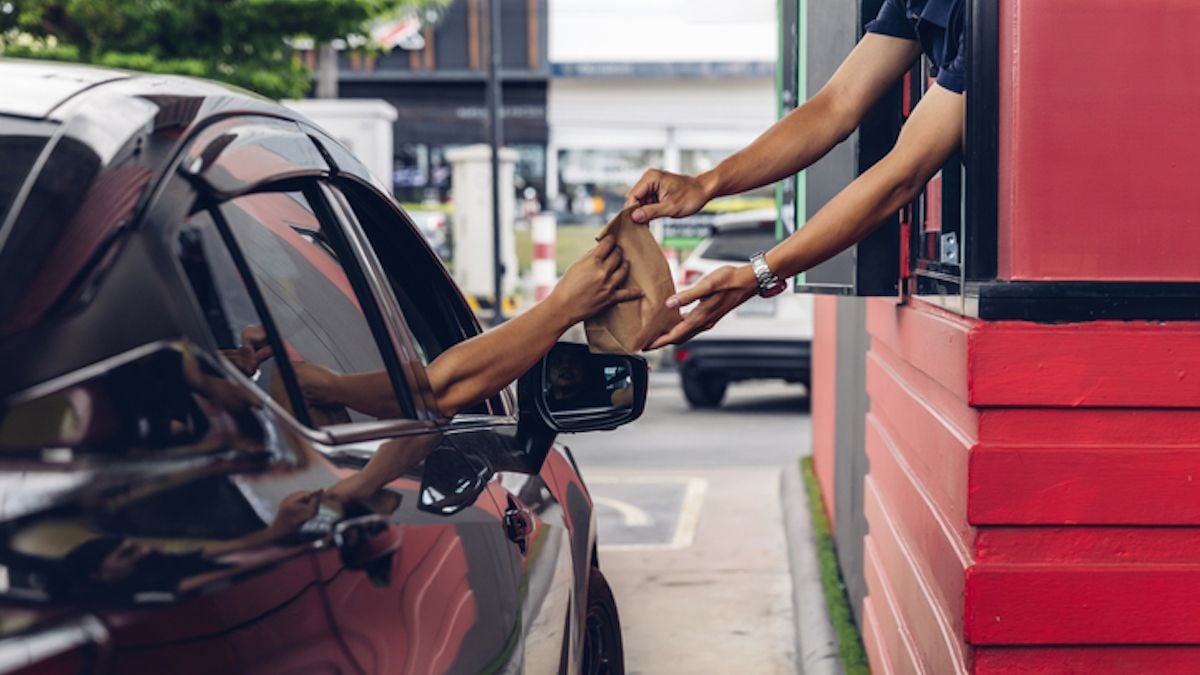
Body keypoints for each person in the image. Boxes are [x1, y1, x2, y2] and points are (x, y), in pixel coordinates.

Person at [626, 0, 966, 349]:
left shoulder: (982, 17)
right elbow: (836, 105)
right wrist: (704, 184)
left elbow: (903, 174)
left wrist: (755, 275)